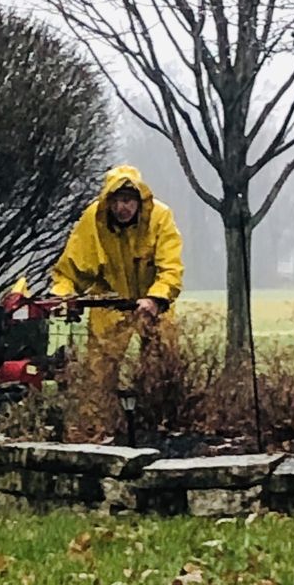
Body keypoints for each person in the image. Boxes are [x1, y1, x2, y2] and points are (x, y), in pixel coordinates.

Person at [50, 165, 184, 441]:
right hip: (109, 304)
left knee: (163, 365)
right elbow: (69, 269)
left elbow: (170, 268)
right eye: (117, 201)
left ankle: (160, 424)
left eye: (129, 201)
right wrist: (64, 296)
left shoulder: (160, 218)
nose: (123, 208)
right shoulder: (93, 220)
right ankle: (98, 432)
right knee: (99, 372)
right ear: (108, 202)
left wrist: (156, 298)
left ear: (139, 201)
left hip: (154, 303)